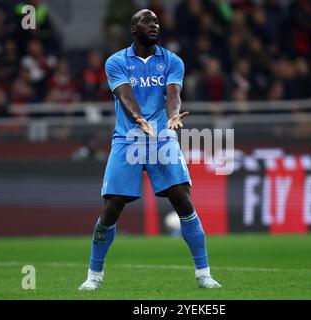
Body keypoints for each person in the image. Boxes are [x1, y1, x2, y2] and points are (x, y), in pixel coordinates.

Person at [78, 9, 221, 290]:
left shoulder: (172, 61)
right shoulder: (116, 61)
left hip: (162, 139)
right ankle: (93, 277)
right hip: (127, 139)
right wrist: (138, 117)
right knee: (111, 209)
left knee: (182, 199)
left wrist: (174, 115)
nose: (153, 25)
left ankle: (204, 273)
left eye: (156, 21)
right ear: (133, 28)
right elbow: (124, 95)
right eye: (146, 21)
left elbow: (173, 95)